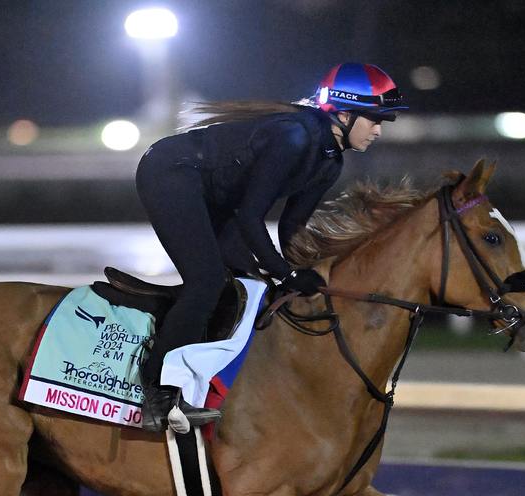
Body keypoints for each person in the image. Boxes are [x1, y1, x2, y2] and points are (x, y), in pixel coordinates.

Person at [135, 62, 407, 432]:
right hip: (171, 172)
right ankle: (155, 393)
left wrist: (306, 271)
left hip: (212, 194)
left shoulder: (330, 163)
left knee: (250, 287)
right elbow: (251, 217)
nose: (378, 130)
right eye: (373, 119)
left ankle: (202, 382)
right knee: (208, 282)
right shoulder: (292, 139)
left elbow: (292, 227)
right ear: (343, 114)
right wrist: (286, 272)